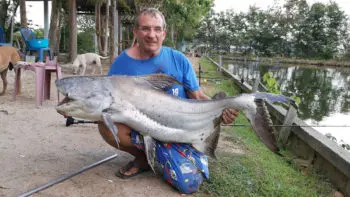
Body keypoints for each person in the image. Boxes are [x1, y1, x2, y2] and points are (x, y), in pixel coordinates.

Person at [97, 8, 238, 194]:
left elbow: (197, 96)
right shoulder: (122, 63)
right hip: (142, 128)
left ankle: (167, 154)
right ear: (136, 32)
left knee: (189, 183)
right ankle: (143, 158)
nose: (151, 35)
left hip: (180, 129)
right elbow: (109, 100)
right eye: (145, 29)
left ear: (164, 33)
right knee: (106, 125)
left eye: (157, 29)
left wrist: (220, 109)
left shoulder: (179, 59)